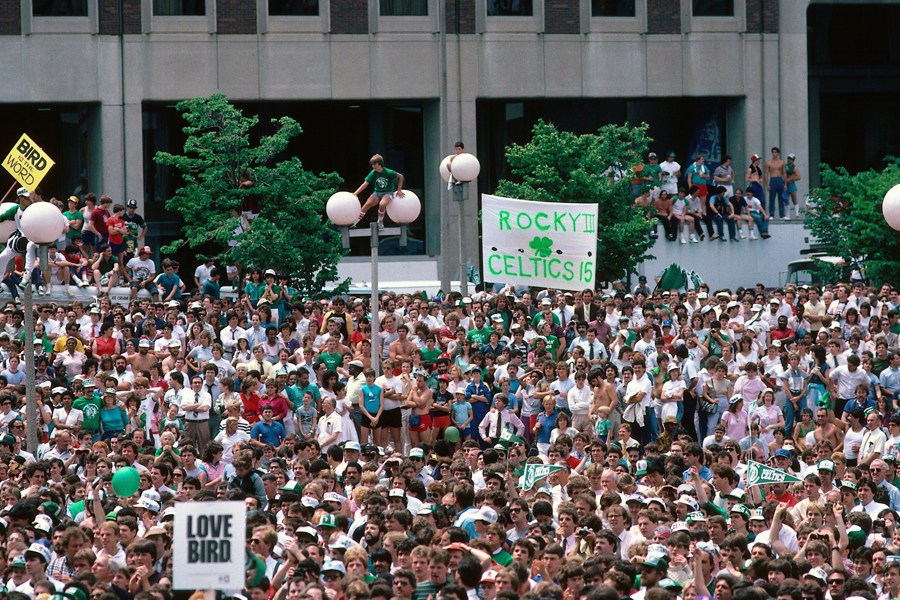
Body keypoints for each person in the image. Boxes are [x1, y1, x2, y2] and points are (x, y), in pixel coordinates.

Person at [352, 154, 406, 229]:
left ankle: (380, 221)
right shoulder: (373, 173)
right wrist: (355, 193)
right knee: (367, 205)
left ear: (379, 164)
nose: (373, 166)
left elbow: (400, 176)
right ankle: (355, 222)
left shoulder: (388, 172)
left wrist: (399, 190)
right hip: (377, 192)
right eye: (372, 164)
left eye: (374, 164)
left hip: (388, 192)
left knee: (382, 204)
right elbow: (365, 184)